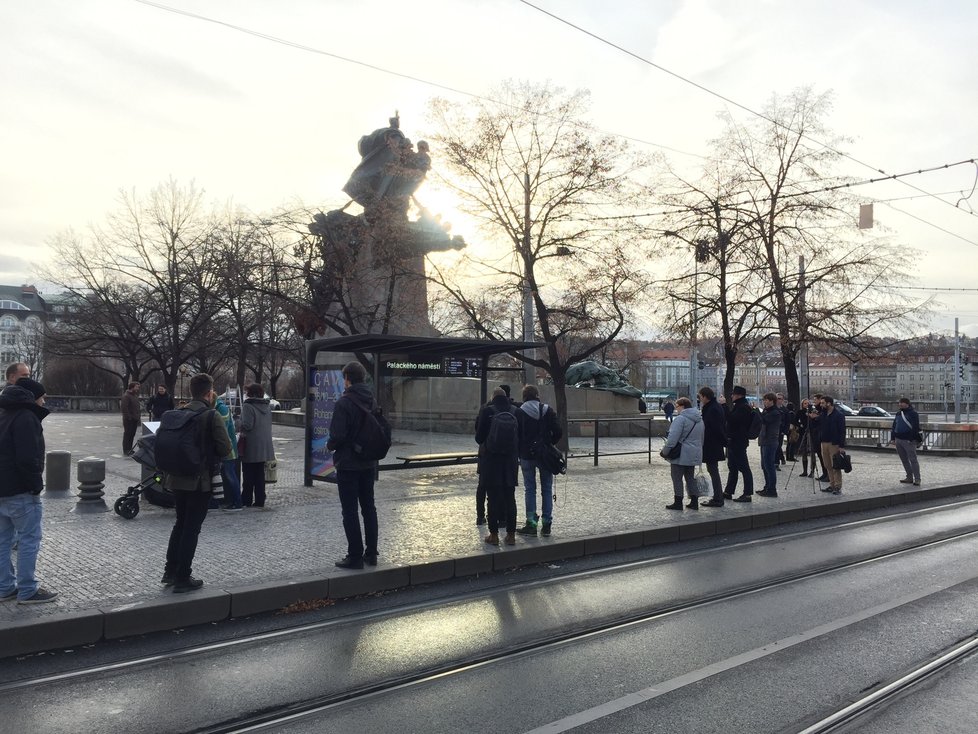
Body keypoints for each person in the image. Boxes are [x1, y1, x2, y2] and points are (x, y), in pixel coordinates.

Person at [161, 373, 232, 593]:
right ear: (209, 393)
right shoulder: (211, 416)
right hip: (199, 481)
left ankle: (170, 572)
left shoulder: (177, 413)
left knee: (180, 524)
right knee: (192, 528)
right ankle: (183, 576)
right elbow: (226, 448)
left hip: (175, 478)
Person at [0, 377, 58, 604]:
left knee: (3, 541)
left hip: (2, 489)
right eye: (42, 397)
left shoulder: (3, 415)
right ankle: (27, 589)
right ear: (33, 397)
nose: (44, 401)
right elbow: (27, 458)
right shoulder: (26, 417)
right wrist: (35, 485)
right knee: (28, 539)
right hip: (20, 491)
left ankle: (5, 587)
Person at [327, 362, 380, 569]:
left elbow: (337, 435)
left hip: (348, 464)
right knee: (369, 508)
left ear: (348, 378)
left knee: (349, 511)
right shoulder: (372, 400)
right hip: (368, 462)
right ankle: (372, 553)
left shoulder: (344, 403)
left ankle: (355, 556)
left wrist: (330, 444)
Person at [515, 384, 562, 537]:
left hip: (526, 455)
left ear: (524, 396)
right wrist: (549, 443)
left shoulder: (520, 412)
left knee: (530, 489)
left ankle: (531, 524)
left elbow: (517, 434)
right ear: (537, 395)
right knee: (547, 488)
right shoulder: (547, 410)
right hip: (545, 455)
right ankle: (547, 524)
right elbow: (558, 431)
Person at [475, 387, 520, 546]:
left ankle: (493, 536)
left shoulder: (487, 411)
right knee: (510, 498)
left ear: (493, 398)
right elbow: (520, 436)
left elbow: (479, 438)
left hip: (491, 461)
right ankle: (511, 535)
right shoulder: (516, 411)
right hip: (510, 462)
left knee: (492, 498)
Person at [660, 397, 704, 510]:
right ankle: (694, 502)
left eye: (677, 406)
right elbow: (701, 438)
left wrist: (665, 452)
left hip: (680, 453)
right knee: (690, 477)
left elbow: (672, 439)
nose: (676, 408)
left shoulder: (680, 419)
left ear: (683, 406)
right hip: (693, 453)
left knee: (677, 478)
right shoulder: (699, 419)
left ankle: (678, 502)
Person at [238, 383, 274, 509]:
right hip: (264, 444)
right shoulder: (267, 406)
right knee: (259, 473)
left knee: (248, 473)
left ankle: (246, 499)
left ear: (251, 393)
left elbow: (247, 425)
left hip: (251, 444)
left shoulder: (248, 406)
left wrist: (238, 421)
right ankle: (260, 499)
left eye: (247, 392)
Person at [697, 386, 727, 507]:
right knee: (713, 471)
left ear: (705, 396)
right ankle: (717, 497)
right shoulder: (715, 407)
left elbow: (716, 428)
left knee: (713, 471)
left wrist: (723, 442)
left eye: (700, 397)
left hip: (712, 444)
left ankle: (718, 498)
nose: (700, 399)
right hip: (713, 444)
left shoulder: (712, 409)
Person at [724, 386, 755, 502]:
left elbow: (732, 420)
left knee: (744, 468)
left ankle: (747, 494)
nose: (731, 396)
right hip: (734, 441)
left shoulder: (743, 407)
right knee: (732, 468)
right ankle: (728, 491)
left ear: (739, 395)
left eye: (733, 394)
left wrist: (724, 407)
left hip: (738, 441)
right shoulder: (739, 405)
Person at [215, 395, 243, 511]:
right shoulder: (219, 407)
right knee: (228, 476)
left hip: (228, 450)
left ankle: (237, 502)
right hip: (226, 449)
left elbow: (223, 430)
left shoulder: (221, 409)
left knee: (231, 476)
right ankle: (232, 501)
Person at [819, 395, 847, 496]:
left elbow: (842, 431)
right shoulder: (823, 414)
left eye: (822, 403)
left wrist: (841, 446)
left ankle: (837, 486)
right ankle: (832, 484)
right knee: (828, 465)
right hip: (824, 442)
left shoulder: (838, 415)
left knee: (835, 466)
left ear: (828, 403)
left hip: (833, 443)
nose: (821, 405)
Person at [891, 397, 921, 486]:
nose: (900, 404)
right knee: (904, 460)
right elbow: (894, 426)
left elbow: (915, 427)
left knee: (913, 460)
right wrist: (893, 438)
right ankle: (909, 477)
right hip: (898, 440)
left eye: (902, 403)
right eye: (899, 403)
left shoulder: (913, 414)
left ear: (907, 404)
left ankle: (917, 479)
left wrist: (911, 439)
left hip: (908, 440)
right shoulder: (898, 413)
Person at [757, 392, 782, 497]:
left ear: (772, 401)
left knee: (769, 466)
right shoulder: (767, 411)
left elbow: (765, 421)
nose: (764, 402)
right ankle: (767, 487)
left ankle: (772, 489)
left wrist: (756, 411)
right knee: (764, 466)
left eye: (766, 400)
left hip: (770, 441)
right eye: (764, 400)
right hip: (764, 441)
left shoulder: (775, 412)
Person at [121, 381, 141, 455]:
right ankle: (126, 449)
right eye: (136, 387)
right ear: (132, 387)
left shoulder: (134, 396)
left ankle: (130, 449)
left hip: (134, 419)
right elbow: (124, 408)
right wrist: (129, 417)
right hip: (129, 420)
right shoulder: (126, 396)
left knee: (132, 434)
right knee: (127, 434)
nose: (138, 388)